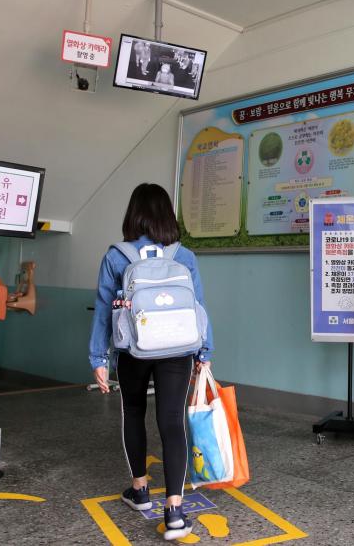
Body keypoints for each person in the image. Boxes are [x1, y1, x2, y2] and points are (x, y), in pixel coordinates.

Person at [88, 183, 214, 541]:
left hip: (133, 350)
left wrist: (98, 357)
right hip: (179, 349)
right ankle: (175, 510)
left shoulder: (117, 255)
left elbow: (102, 310)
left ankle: (140, 491)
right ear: (167, 214)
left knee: (133, 412)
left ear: (134, 214)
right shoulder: (184, 256)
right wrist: (205, 351)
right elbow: (199, 307)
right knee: (172, 421)